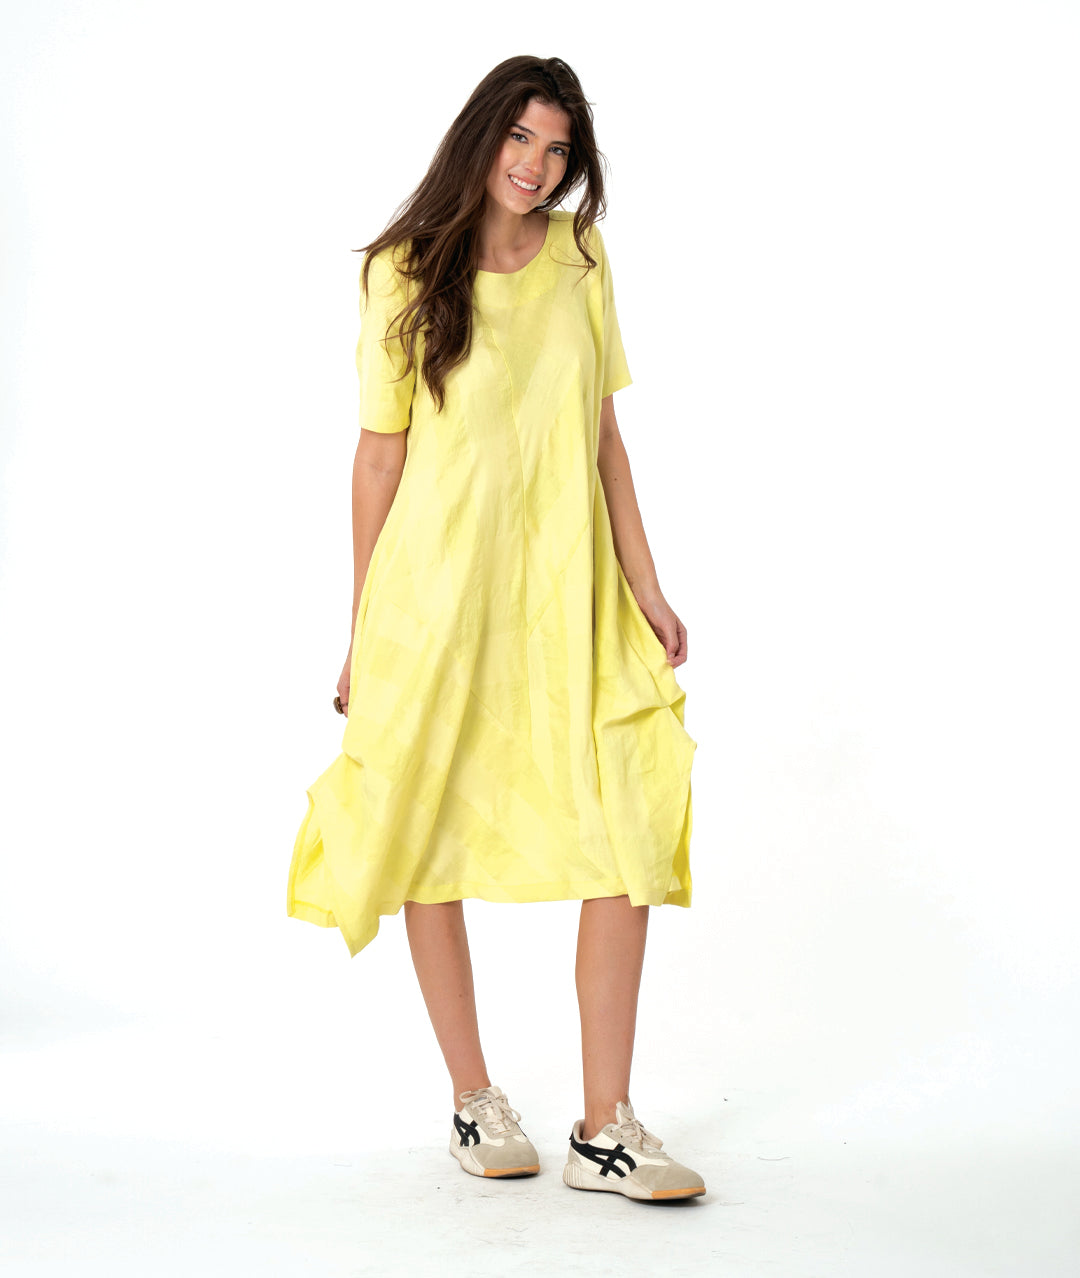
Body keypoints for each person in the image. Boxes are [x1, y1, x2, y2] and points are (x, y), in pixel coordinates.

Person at [287, 55, 703, 1202]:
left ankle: (606, 1126)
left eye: (558, 150)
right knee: (426, 825)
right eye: (521, 139)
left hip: (570, 588)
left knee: (625, 818)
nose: (536, 166)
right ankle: (474, 1101)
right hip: (440, 596)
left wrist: (647, 582)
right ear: (482, 136)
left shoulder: (581, 258)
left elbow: (605, 439)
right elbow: (380, 457)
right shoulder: (401, 273)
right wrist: (363, 627)